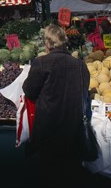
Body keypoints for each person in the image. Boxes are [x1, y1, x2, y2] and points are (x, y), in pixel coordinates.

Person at [22, 24, 90, 187]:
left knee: (50, 175)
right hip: (73, 131)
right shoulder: (80, 65)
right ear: (65, 42)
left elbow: (29, 91)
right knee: (70, 175)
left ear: (47, 43)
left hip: (48, 131)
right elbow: (84, 90)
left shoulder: (41, 62)